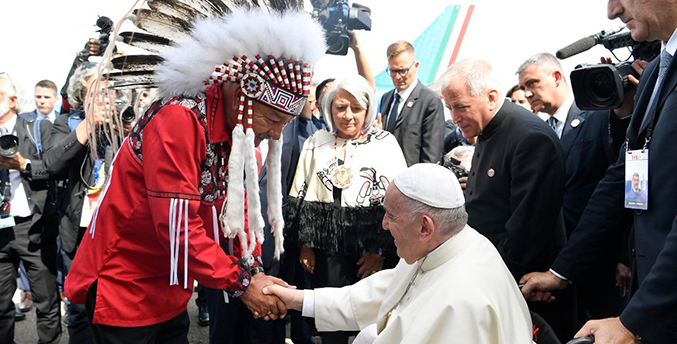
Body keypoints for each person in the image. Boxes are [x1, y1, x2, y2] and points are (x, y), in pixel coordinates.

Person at [62, 7, 326, 344]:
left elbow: (240, 208)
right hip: (121, 291)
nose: (276, 135)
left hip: (168, 292)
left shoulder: (234, 130)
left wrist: (254, 271)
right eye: (272, 119)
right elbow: (177, 228)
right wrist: (242, 283)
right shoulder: (179, 118)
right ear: (241, 94)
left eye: (285, 124)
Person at [519, 0, 677, 342]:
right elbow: (623, 180)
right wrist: (561, 272)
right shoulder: (654, 74)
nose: (612, 11)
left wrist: (634, 320)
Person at [268, 163, 533, 344]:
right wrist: (298, 299)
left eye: (391, 216)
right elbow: (388, 292)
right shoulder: (445, 246)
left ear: (424, 227)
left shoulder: (462, 300)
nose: (383, 224)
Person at [439, 59, 574, 341]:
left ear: (490, 97)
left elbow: (527, 231)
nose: (453, 117)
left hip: (524, 288)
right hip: (495, 279)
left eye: (461, 106)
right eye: (450, 108)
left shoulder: (528, 137)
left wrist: (489, 281)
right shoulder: (488, 131)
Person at [285, 75, 407, 344]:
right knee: (332, 322)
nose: (348, 115)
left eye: (356, 108)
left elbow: (400, 203)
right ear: (328, 108)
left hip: (371, 254)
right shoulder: (316, 141)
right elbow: (300, 193)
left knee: (373, 324)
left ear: (368, 109)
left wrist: (380, 251)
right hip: (328, 251)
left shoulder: (385, 142)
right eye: (340, 107)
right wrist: (306, 245)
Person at [517, 52, 631, 325]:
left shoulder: (598, 115)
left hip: (603, 261)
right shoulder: (541, 131)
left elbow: (621, 184)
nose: (528, 93)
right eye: (523, 88)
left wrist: (624, 255)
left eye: (532, 83)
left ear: (557, 77)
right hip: (562, 261)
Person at [0, 73, 61, 344]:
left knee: (46, 303)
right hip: (1, 232)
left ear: (13, 100)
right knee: (1, 307)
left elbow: (53, 168)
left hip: (32, 228)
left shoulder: (37, 129)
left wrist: (23, 163)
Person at [379, 40, 445, 166]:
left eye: (402, 71)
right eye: (392, 71)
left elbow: (431, 155)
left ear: (416, 66)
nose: (398, 77)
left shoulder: (430, 101)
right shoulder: (386, 99)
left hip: (412, 180)